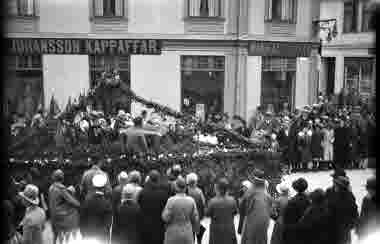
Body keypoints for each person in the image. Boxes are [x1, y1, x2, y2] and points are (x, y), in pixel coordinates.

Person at [162, 177, 199, 244]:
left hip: (173, 233)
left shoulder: (171, 200)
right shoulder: (191, 201)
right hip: (187, 232)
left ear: (176, 187)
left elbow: (165, 218)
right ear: (185, 188)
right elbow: (195, 218)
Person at [138, 170, 171, 244]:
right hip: (159, 227)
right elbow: (166, 210)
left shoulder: (143, 192)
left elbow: (139, 207)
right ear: (158, 179)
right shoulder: (164, 194)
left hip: (145, 226)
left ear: (149, 178)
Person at [48, 169, 80, 243]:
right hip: (61, 216)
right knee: (74, 212)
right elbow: (71, 201)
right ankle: (69, 237)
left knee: (55, 233)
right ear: (62, 178)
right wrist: (79, 204)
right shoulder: (61, 188)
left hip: (53, 214)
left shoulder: (51, 187)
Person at [80, 174, 113, 243]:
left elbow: (82, 219)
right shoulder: (107, 203)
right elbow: (108, 225)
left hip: (88, 236)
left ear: (93, 186)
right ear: (104, 188)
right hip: (101, 238)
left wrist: (84, 234)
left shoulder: (86, 201)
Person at [240, 176, 273, 244]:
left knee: (250, 239)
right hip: (264, 224)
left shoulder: (250, 194)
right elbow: (271, 211)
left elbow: (243, 208)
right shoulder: (268, 196)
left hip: (252, 223)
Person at [325, 175, 358, 244]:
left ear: (340, 187)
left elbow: (329, 211)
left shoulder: (336, 198)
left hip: (336, 228)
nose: (334, 186)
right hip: (345, 228)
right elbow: (355, 213)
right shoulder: (350, 195)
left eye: (336, 185)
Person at [206, 178, 238, 244]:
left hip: (216, 232)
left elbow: (207, 214)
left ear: (218, 188)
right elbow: (235, 212)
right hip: (229, 230)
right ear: (227, 189)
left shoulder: (212, 201)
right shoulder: (232, 200)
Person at [282, 178, 311, 244]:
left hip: (294, 234)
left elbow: (287, 221)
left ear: (295, 188)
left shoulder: (292, 202)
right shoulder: (310, 200)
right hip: (306, 233)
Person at [186, 172, 206, 244]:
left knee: (190, 238)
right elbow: (203, 204)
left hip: (187, 218)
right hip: (197, 217)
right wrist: (202, 216)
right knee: (198, 237)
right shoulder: (199, 191)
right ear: (195, 181)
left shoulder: (185, 191)